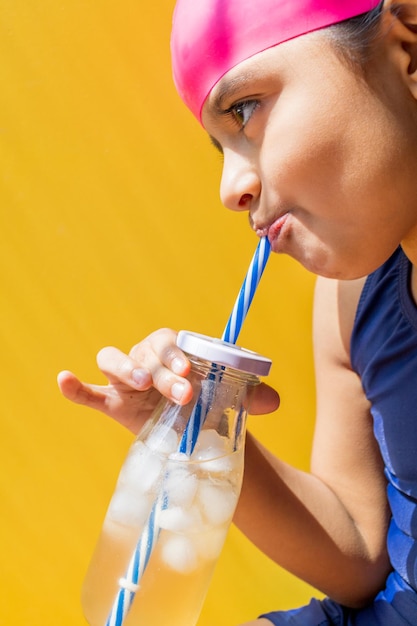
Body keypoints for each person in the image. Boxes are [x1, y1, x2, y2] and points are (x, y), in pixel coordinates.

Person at [57, 0, 417, 623]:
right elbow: (360, 556)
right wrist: (204, 432)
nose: (231, 189)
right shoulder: (352, 299)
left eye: (245, 110)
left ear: (406, 49)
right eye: (218, 150)